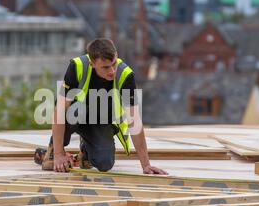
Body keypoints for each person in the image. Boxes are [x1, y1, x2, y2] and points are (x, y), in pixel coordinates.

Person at [42, 38, 168, 175]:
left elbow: (134, 121)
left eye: (114, 64)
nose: (112, 71)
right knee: (75, 110)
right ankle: (53, 151)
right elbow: (59, 110)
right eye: (106, 67)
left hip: (101, 121)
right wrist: (59, 154)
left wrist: (146, 165)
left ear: (117, 55)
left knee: (105, 163)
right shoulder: (77, 67)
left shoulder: (126, 76)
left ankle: (86, 152)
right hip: (77, 115)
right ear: (92, 64)